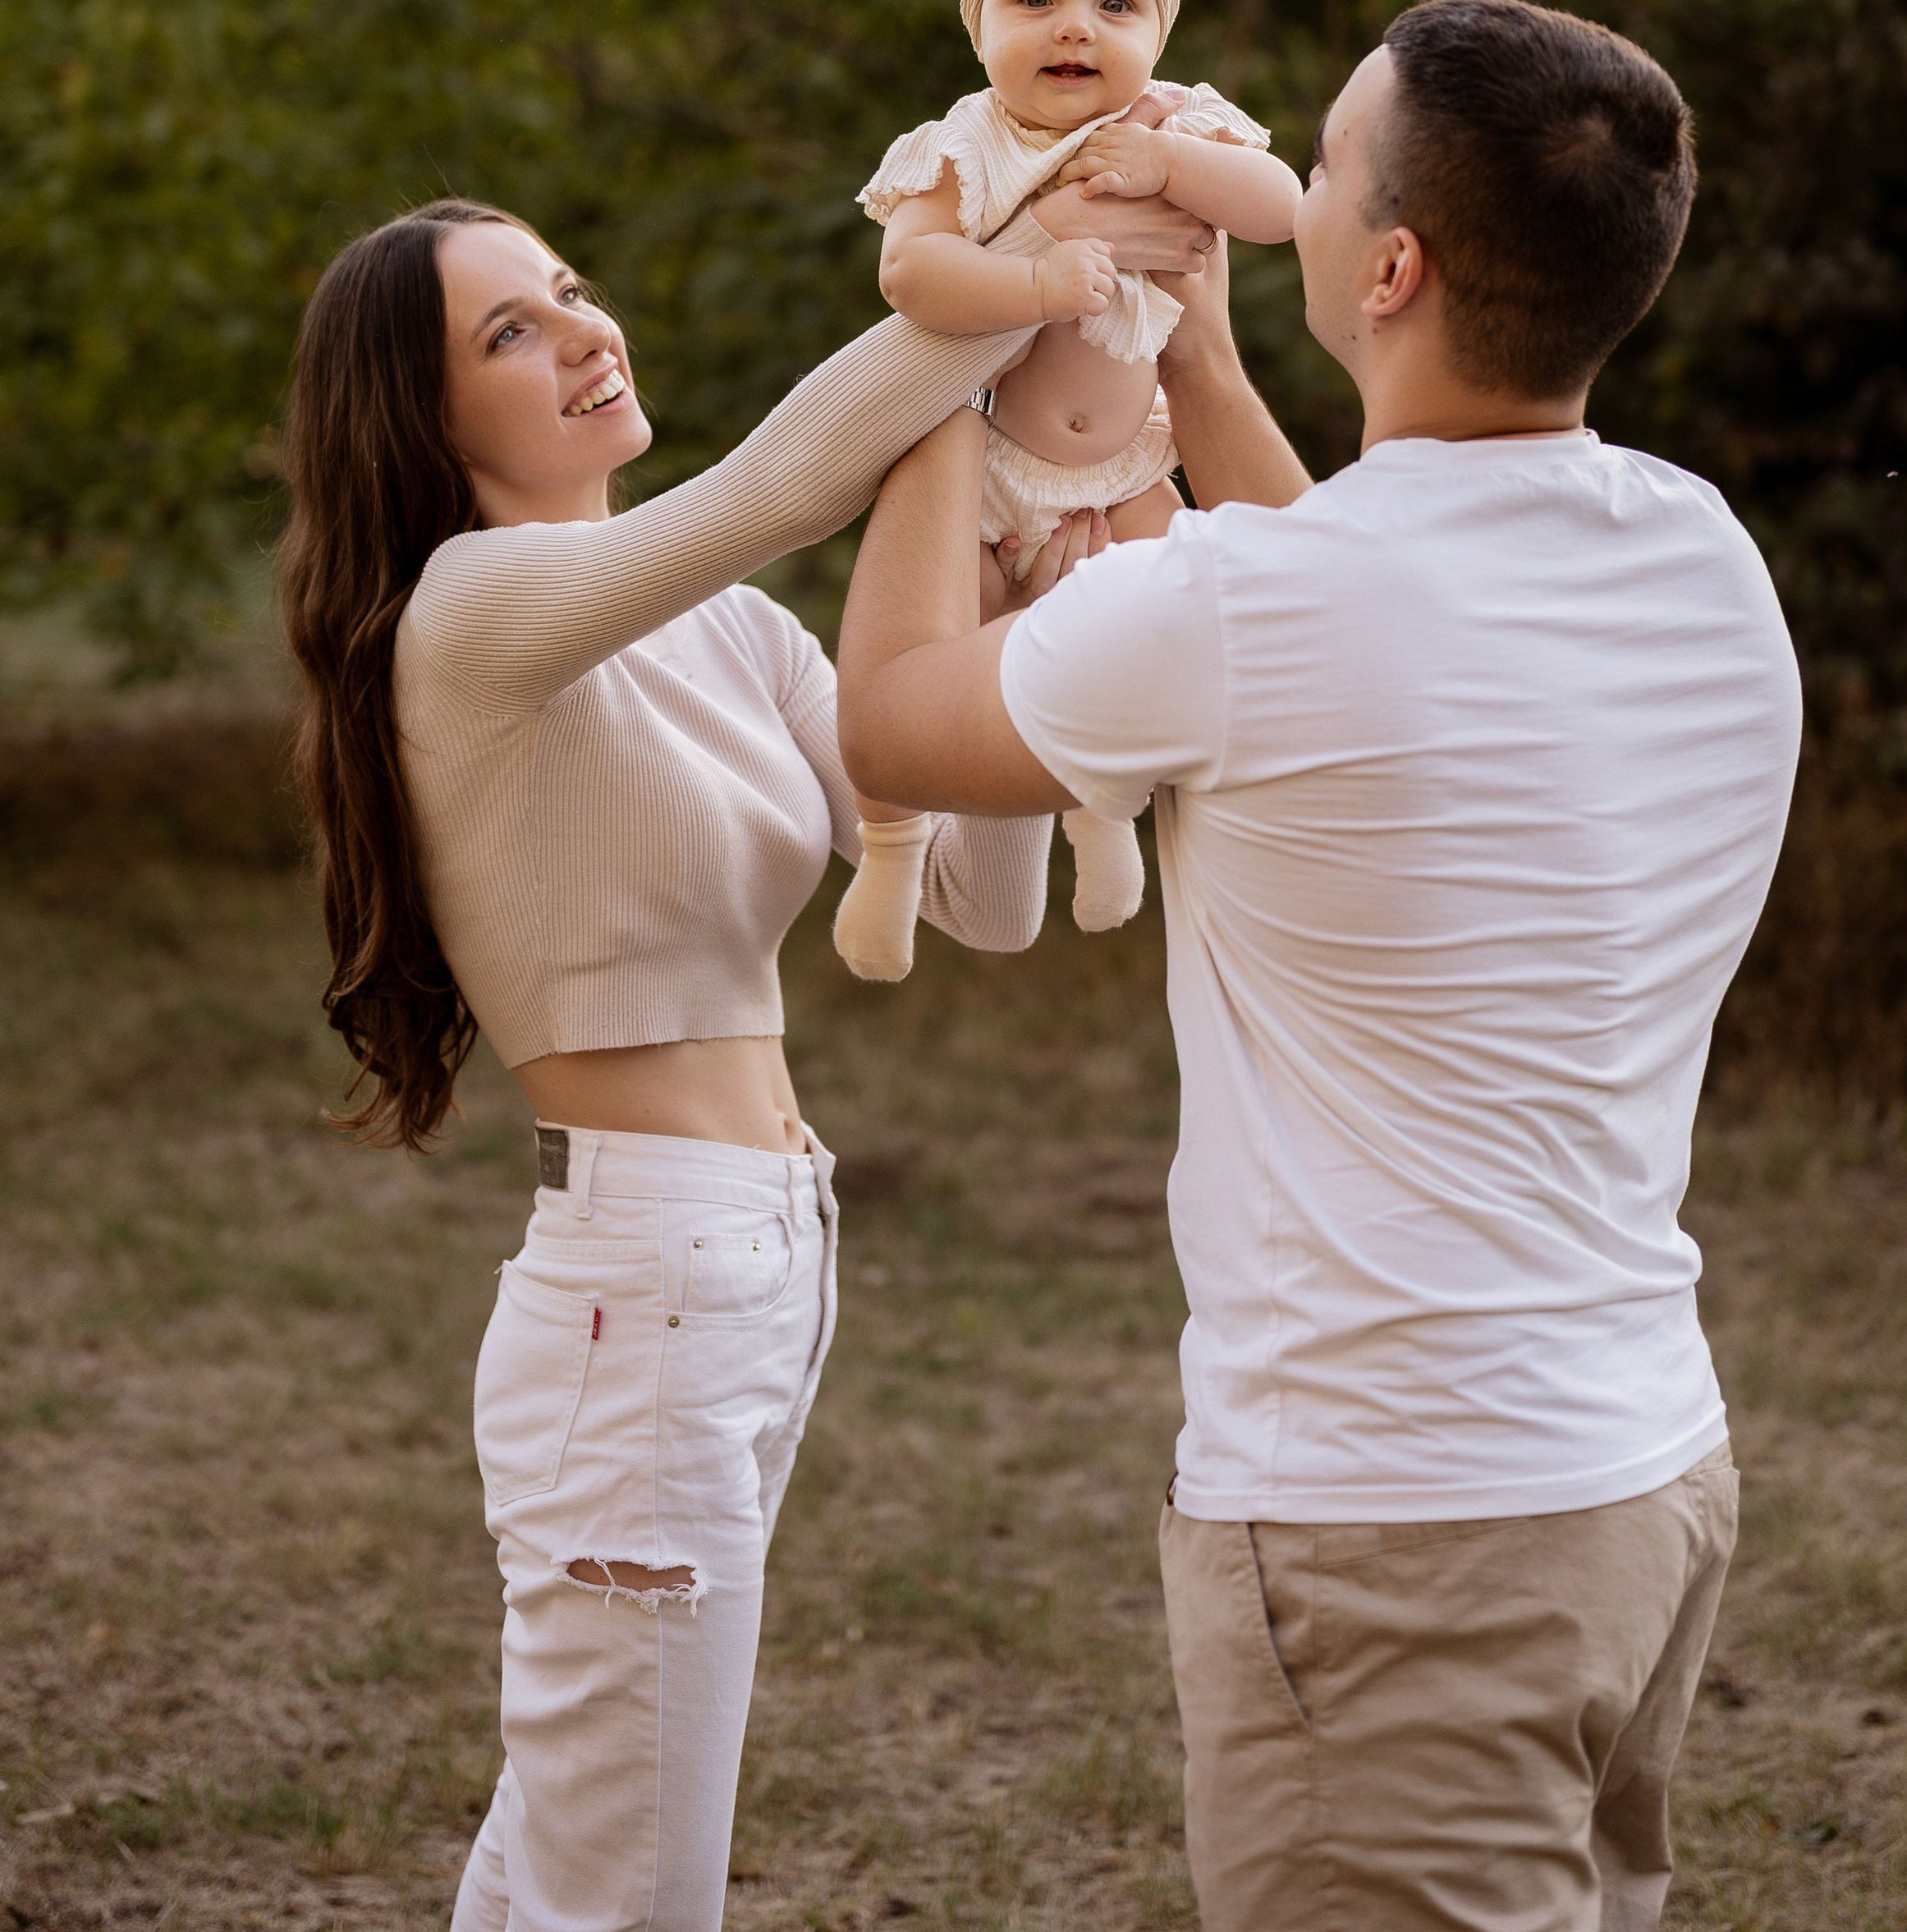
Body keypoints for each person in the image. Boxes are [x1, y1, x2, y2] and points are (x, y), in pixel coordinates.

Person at [835, 0, 1804, 1932]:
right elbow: (1365, 599)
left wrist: (947, 392)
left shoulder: (1244, 605)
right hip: (1638, 1477)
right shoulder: (1698, 554)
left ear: (1384, 264)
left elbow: (889, 725)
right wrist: (1188, 357)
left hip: (1394, 1532)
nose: (1270, 168)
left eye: (1321, 157)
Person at [276, 181, 1209, 1932]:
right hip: (645, 1283)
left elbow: (982, 897)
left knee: (578, 1846)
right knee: (629, 1881)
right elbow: (784, 484)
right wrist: (1041, 246)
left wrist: (1015, 578)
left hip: (755, 1259)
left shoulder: (724, 632)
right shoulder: (469, 610)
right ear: (422, 415)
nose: (581, 332)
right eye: (511, 332)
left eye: (569, 289)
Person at [835, 0, 1300, 977]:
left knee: (1168, 622)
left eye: (1114, 5)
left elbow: (1283, 207)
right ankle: (891, 858)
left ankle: (1108, 823)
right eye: (1032, 0)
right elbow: (910, 271)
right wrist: (1038, 274)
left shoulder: (1171, 122)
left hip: (1131, 460)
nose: (1073, 29)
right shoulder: (968, 142)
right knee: (944, 660)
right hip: (989, 470)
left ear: (1160, 27)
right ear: (979, 24)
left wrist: (1175, 165)